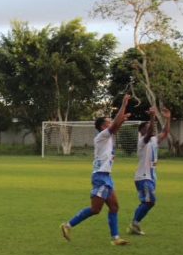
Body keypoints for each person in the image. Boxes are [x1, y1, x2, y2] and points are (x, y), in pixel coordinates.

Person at [60, 93, 132, 246]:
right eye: (108, 121)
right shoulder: (101, 137)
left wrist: (122, 119)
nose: (111, 122)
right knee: (95, 209)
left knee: (114, 207)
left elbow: (115, 126)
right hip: (100, 177)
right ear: (102, 126)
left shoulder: (108, 136)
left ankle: (116, 238)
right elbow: (114, 126)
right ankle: (67, 225)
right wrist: (124, 104)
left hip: (106, 177)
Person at [128, 107, 171, 236]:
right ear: (141, 131)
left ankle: (135, 224)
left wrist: (168, 118)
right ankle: (135, 223)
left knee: (146, 202)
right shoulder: (142, 141)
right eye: (146, 127)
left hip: (150, 177)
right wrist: (152, 117)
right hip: (143, 177)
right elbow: (151, 131)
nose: (150, 128)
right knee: (150, 201)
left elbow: (166, 132)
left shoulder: (153, 140)